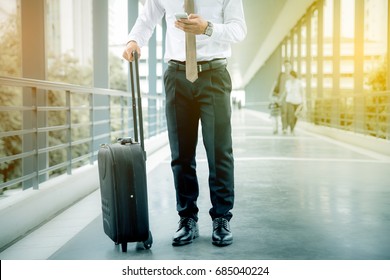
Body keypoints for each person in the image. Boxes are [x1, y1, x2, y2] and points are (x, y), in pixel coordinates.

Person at [123, 0, 247, 247]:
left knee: (219, 152)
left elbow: (239, 29)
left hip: (214, 74)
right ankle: (187, 218)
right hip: (177, 76)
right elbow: (147, 19)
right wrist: (133, 40)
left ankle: (221, 218)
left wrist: (208, 28)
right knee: (181, 154)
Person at [272, 60, 292, 134]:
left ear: (290, 67)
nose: (287, 67)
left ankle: (288, 126)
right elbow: (277, 85)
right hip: (281, 98)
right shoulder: (281, 75)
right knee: (283, 112)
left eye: (288, 65)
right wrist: (276, 96)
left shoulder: (291, 76)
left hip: (290, 98)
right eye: (285, 65)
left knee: (289, 113)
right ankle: (284, 128)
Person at [283, 70, 305, 135]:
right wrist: (282, 98)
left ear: (293, 75)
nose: (289, 77)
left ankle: (293, 127)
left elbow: (302, 92)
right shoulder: (288, 82)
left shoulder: (299, 82)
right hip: (289, 101)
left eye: (290, 75)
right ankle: (292, 129)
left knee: (296, 116)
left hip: (298, 101)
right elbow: (286, 91)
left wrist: (303, 101)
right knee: (291, 115)